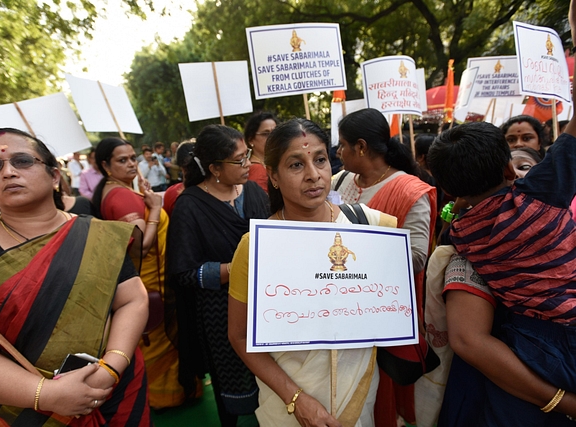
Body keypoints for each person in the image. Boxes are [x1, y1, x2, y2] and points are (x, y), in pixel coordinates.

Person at [0, 127, 150, 426]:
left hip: (117, 390)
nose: (8, 172)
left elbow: (132, 300)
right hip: (22, 408)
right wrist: (45, 394)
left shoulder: (97, 233)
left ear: (53, 175)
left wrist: (111, 368)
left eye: (22, 161)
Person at [427, 58, 576, 426]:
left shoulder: (461, 235)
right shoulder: (538, 195)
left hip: (529, 348)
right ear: (510, 169)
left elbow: (457, 212)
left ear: (448, 190)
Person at [228, 118, 397, 427]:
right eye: (296, 165)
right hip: (287, 407)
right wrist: (296, 398)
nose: (314, 175)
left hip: (359, 394)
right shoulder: (256, 247)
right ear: (274, 177)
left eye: (320, 160)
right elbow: (239, 336)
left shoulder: (370, 227)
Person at [333, 108, 437, 427]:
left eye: (342, 146)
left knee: (381, 387)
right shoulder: (339, 180)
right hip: (339, 303)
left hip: (382, 307)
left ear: (361, 147)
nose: (337, 153)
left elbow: (418, 255)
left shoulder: (410, 190)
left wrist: (361, 255)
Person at [166, 124, 269, 426]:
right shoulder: (190, 206)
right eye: (239, 160)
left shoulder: (252, 191)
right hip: (221, 311)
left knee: (271, 375)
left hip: (263, 302)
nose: (248, 163)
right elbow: (183, 273)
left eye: (247, 155)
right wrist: (237, 269)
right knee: (231, 381)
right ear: (214, 168)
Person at [91, 137, 185, 409]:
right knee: (157, 338)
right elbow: (141, 247)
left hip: (146, 280)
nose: (131, 163)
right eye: (123, 160)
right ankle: (165, 397)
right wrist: (155, 208)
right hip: (149, 281)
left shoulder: (115, 190)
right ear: (106, 165)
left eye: (132, 158)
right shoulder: (119, 196)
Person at [244, 111, 279, 192]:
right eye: (265, 134)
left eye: (275, 133)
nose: (272, 138)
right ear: (251, 140)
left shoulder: (267, 165)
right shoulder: (257, 169)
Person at [163, 141, 195, 217]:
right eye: (172, 148)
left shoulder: (172, 193)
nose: (173, 150)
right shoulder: (216, 190)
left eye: (174, 148)